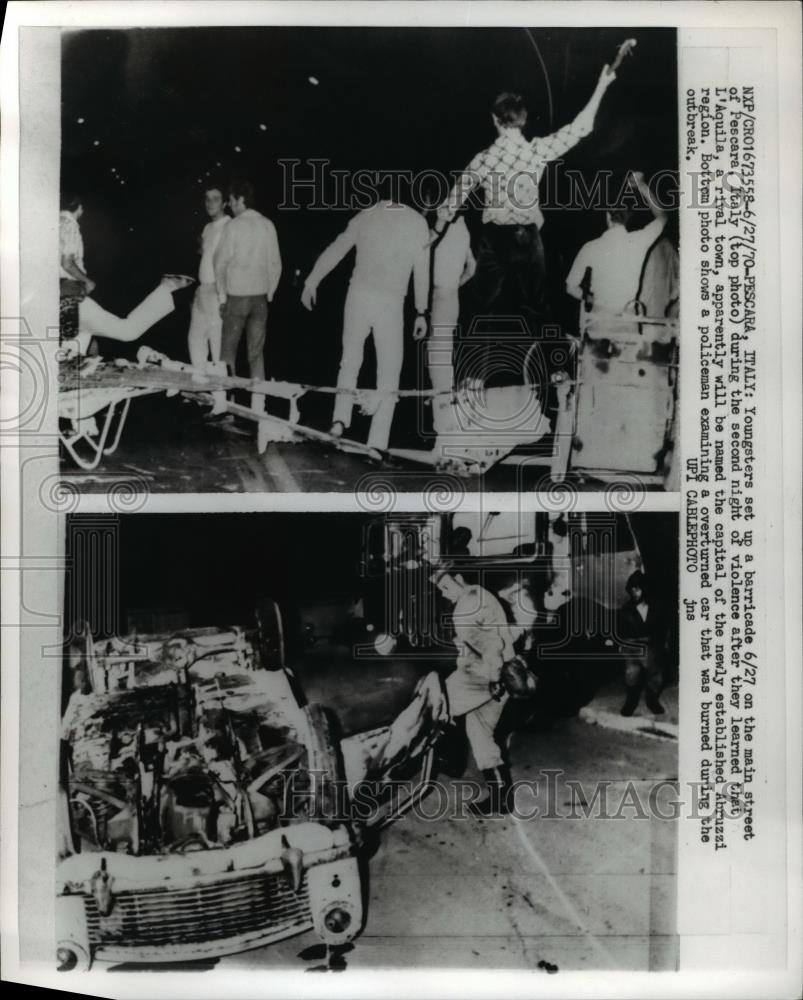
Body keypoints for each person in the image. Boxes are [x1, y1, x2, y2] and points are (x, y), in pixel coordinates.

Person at [434, 62, 618, 338]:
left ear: (495, 120)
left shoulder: (484, 159)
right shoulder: (537, 151)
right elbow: (581, 127)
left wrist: (435, 232)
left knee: (481, 306)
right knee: (538, 307)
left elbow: (453, 200)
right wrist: (601, 86)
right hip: (528, 237)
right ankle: (555, 372)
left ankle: (472, 377)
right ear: (523, 120)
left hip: (495, 239)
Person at [301, 198, 429, 452]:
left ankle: (339, 422)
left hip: (359, 295)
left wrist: (312, 280)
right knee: (389, 372)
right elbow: (422, 269)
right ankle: (377, 441)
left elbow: (339, 246)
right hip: (389, 303)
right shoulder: (417, 221)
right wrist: (421, 311)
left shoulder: (367, 213)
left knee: (350, 361)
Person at [431, 564, 516, 816]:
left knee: (436, 705)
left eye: (446, 586)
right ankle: (502, 798)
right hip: (504, 676)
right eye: (440, 589)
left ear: (459, 578)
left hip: (484, 677)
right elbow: (498, 636)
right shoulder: (482, 594)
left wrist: (493, 678)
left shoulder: (465, 607)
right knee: (480, 734)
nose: (445, 594)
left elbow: (491, 644)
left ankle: (449, 762)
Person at [566, 171, 673, 320]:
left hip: (599, 321)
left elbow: (571, 288)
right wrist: (642, 186)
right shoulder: (639, 240)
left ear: (608, 216)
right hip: (628, 320)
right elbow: (662, 216)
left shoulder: (589, 247)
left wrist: (591, 299)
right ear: (627, 219)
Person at [214, 178, 282, 411]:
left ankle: (224, 403)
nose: (230, 205)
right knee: (256, 353)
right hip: (260, 298)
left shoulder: (233, 226)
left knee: (228, 352)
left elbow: (220, 263)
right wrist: (269, 294)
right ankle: (258, 405)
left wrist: (222, 297)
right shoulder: (267, 224)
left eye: (231, 200)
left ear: (240, 199)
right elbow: (276, 264)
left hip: (237, 297)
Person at [424, 196, 476, 442]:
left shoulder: (443, 229)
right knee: (442, 358)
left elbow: (423, 247)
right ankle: (445, 419)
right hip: (451, 296)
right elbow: (472, 267)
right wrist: (456, 285)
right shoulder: (463, 229)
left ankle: (443, 423)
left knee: (438, 360)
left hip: (439, 296)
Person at [59, 275, 191, 358]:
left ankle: (167, 287)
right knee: (71, 360)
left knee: (127, 331)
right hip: (63, 302)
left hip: (66, 301)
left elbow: (66, 262)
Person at [187, 183, 230, 370]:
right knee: (195, 340)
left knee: (218, 347)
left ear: (225, 203)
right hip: (202, 289)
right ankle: (202, 385)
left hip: (218, 290)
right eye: (207, 198)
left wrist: (224, 296)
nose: (210, 203)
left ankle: (220, 395)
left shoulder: (230, 226)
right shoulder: (207, 228)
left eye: (216, 198)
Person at [618, 570, 666, 716]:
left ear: (644, 589)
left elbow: (662, 629)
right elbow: (620, 633)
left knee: (653, 671)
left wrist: (660, 642)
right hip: (631, 646)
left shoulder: (656, 606)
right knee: (632, 672)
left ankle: (652, 699)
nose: (634, 593)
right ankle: (631, 700)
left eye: (637, 589)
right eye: (631, 589)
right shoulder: (626, 610)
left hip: (651, 644)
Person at [60, 194, 94, 297]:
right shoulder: (71, 226)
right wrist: (87, 281)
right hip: (68, 285)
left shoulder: (56, 221)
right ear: (79, 207)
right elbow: (67, 264)